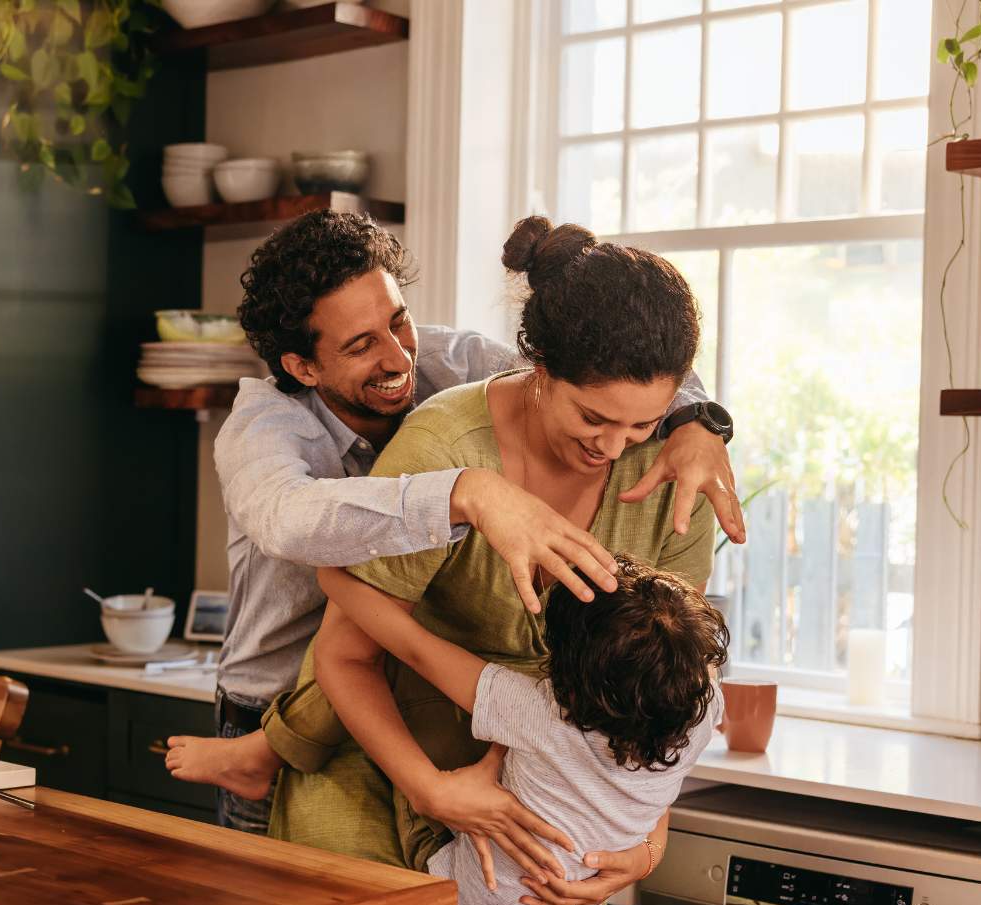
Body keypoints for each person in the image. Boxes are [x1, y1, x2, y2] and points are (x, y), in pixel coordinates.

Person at [239, 215, 720, 905]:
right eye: (595, 417)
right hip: (386, 785)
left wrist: (645, 840)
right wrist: (434, 789)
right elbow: (345, 652)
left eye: (646, 424)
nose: (614, 448)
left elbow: (671, 699)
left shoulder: (673, 480)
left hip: (541, 824)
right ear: (538, 371)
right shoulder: (442, 443)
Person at [166, 211, 742, 852]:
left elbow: (611, 353)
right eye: (360, 346)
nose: (398, 355)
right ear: (302, 366)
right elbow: (289, 522)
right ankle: (260, 753)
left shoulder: (452, 361)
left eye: (398, 319)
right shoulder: (263, 428)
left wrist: (696, 421)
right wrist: (467, 493)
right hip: (275, 691)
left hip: (398, 680)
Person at [313, 553, 726, 905]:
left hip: (470, 888)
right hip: (574, 899)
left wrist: (331, 576)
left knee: (408, 682)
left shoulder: (538, 711)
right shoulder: (703, 712)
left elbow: (414, 648)